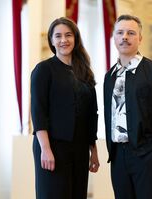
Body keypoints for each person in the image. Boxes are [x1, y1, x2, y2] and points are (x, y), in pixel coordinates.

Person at [103, 14, 152, 199]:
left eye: (131, 33)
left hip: (147, 154)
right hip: (118, 157)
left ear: (140, 38)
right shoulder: (109, 76)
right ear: (113, 37)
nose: (125, 37)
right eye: (120, 33)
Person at [30, 17, 99, 199]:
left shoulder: (84, 71)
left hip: (80, 147)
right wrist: (45, 149)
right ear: (51, 41)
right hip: (52, 146)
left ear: (75, 39)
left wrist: (94, 151)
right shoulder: (43, 69)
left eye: (68, 35)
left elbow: (92, 114)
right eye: (58, 36)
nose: (63, 40)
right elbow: (38, 112)